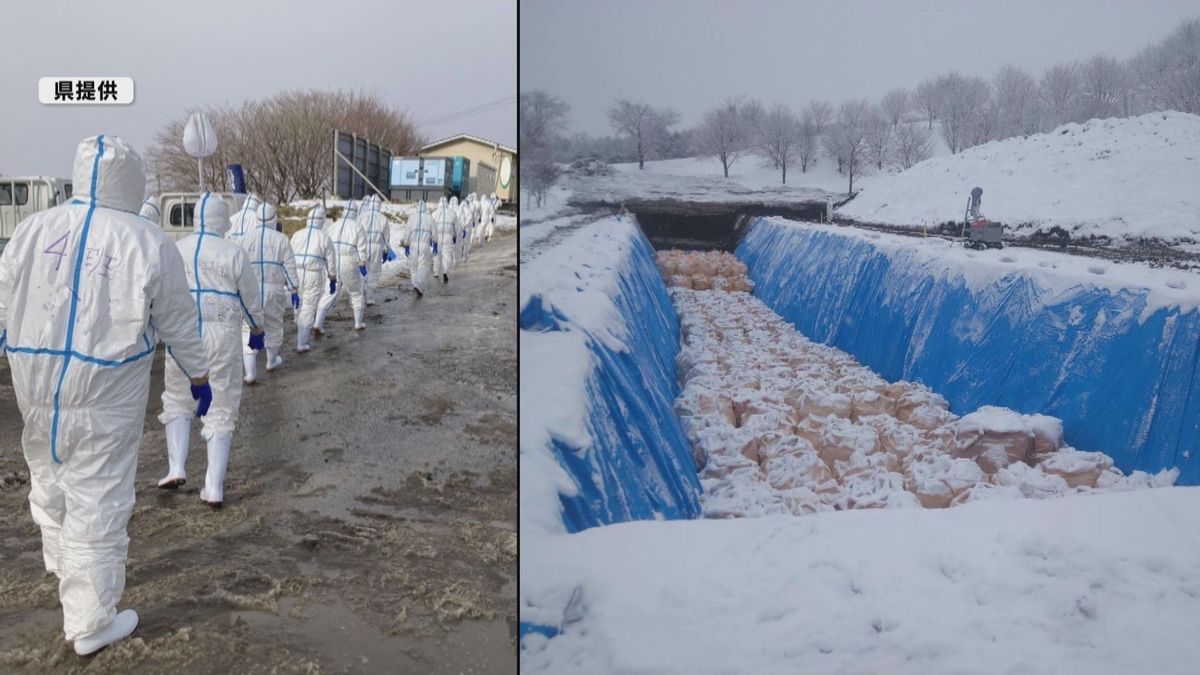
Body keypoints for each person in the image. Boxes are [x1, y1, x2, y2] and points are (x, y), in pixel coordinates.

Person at [0, 135, 211, 655]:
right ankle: (91, 621)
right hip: (105, 388)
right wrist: (200, 375)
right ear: (132, 180)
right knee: (98, 495)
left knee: (49, 473)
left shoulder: (31, 230)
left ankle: (65, 569)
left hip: (33, 378)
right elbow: (180, 322)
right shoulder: (146, 239)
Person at [157, 193, 265, 508]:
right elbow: (248, 297)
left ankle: (176, 466)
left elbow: (162, 295)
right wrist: (256, 329)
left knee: (177, 398)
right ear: (223, 219)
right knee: (221, 407)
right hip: (221, 334)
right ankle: (213, 486)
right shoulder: (233, 253)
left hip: (184, 335)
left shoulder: (176, 250)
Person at [240, 201, 298, 382]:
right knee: (273, 326)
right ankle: (271, 362)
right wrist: (294, 288)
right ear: (274, 219)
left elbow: (238, 268)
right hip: (274, 291)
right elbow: (289, 267)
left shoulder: (244, 239)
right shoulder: (281, 240)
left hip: (250, 291)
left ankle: (250, 373)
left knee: (248, 328)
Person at [315, 200, 368, 332]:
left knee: (330, 292)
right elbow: (362, 249)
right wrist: (362, 262)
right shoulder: (357, 227)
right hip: (349, 261)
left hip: (333, 261)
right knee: (356, 292)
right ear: (355, 213)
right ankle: (358, 322)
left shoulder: (333, 226)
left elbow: (325, 244)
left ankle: (318, 323)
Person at [290, 205, 337, 351]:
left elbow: (288, 254)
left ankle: (297, 320)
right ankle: (302, 343)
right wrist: (333, 277)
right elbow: (331, 259)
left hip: (297, 272)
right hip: (313, 273)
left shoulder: (297, 234)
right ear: (322, 220)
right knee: (309, 307)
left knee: (298, 299)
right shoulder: (324, 237)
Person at [358, 194, 392, 306]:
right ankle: (369, 298)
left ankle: (361, 295)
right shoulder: (383, 218)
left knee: (362, 270)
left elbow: (356, 232)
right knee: (374, 272)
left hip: (363, 246)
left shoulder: (362, 216)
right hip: (376, 248)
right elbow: (386, 236)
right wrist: (386, 251)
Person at [401, 199, 432, 297]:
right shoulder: (429, 218)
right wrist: (435, 242)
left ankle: (415, 283)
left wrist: (406, 244)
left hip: (413, 245)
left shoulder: (411, 218)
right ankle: (418, 284)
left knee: (413, 266)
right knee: (423, 265)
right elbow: (434, 231)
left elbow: (407, 232)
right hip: (424, 245)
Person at [431, 196, 458, 284]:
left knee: (437, 255)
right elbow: (456, 227)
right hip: (448, 237)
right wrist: (455, 236)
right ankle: (445, 271)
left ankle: (436, 272)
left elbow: (431, 227)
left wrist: (431, 238)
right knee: (447, 256)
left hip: (437, 237)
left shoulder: (434, 214)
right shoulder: (452, 213)